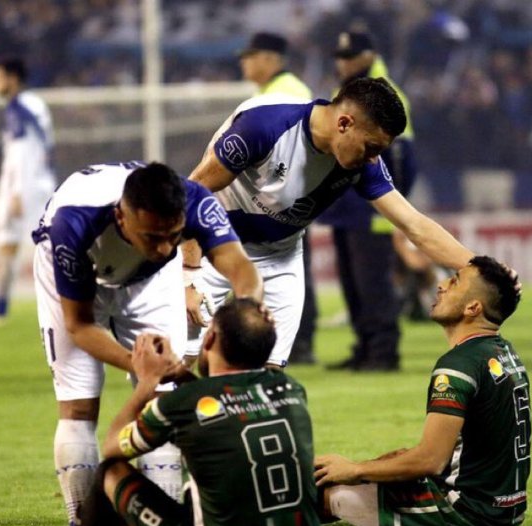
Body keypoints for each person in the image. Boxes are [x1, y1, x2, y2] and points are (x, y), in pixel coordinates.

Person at [32, 161, 262, 526]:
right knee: (79, 406)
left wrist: (242, 320)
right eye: (152, 237)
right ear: (122, 217)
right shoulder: (73, 224)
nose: (163, 247)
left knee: (165, 401)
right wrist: (140, 366)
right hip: (80, 274)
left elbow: (243, 271)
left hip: (150, 283)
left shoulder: (193, 200)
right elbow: (79, 326)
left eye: (173, 236)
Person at [15, 298, 331, 526]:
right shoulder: (291, 389)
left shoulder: (184, 403)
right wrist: (180, 374)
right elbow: (223, 405)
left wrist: (145, 384)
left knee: (110, 472)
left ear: (209, 338)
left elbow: (112, 447)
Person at [183, 76, 476, 369]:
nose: (373, 159)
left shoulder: (365, 164)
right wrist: (188, 279)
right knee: (179, 361)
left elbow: (415, 225)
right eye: (371, 147)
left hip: (279, 256)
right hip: (214, 248)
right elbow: (193, 195)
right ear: (344, 124)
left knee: (268, 376)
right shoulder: (264, 125)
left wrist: (480, 268)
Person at [314, 256, 529, 526]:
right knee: (380, 464)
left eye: (454, 282)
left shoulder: (458, 366)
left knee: (322, 492)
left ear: (473, 307)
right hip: (504, 507)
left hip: (465, 510)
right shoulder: (503, 352)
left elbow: (430, 460)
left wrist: (355, 470)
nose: (441, 285)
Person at [318, 30, 419, 372]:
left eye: (349, 57)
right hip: (344, 208)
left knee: (374, 284)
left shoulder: (388, 96)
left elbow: (402, 159)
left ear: (369, 56)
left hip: (371, 209)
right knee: (353, 283)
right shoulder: (346, 94)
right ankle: (364, 348)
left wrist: (393, 209)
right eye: (340, 57)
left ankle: (383, 352)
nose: (342, 63)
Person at [236, 31, 318, 365]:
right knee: (285, 271)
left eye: (249, 56)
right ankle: (290, 341)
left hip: (286, 201)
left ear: (269, 59)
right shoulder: (272, 90)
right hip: (277, 200)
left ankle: (299, 342)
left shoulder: (287, 91)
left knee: (290, 271)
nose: (244, 62)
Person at [0, 56, 56, 326]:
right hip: (34, 183)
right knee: (14, 246)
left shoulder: (20, 107)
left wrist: (17, 192)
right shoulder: (31, 105)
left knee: (45, 250)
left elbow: (24, 152)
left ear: (12, 79)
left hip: (27, 187)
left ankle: (67, 307)